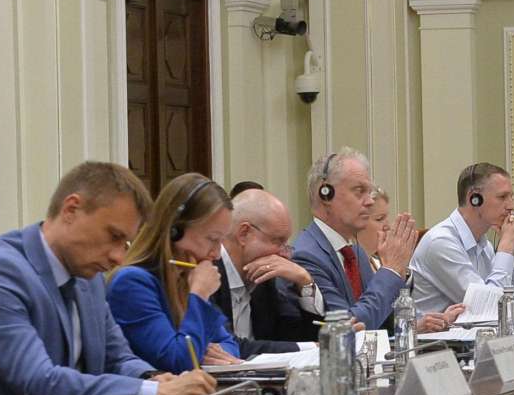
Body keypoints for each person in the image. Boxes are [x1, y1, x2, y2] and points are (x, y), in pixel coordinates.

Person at [0, 161, 216, 395]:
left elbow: (118, 359)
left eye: (125, 243)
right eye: (114, 236)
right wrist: (154, 393)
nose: (119, 257)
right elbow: (40, 383)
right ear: (71, 209)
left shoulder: (89, 279)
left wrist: (153, 378)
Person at [107, 173, 242, 373]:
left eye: (221, 241)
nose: (216, 254)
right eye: (212, 239)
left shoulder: (186, 277)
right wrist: (199, 294)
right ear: (174, 231)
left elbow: (230, 345)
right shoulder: (131, 283)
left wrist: (206, 350)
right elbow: (178, 361)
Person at [292, 148, 418, 331]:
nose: (369, 201)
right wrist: (390, 271)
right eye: (359, 191)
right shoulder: (307, 255)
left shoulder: (354, 251)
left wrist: (400, 271)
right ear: (325, 194)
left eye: (369, 192)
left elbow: (380, 320)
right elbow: (347, 328)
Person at [212, 188, 325, 355]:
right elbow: (229, 347)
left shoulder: (264, 280)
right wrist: (312, 347)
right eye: (278, 241)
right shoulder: (207, 275)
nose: (286, 254)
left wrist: (305, 282)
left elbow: (296, 336)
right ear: (244, 234)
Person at [410, 162, 514, 313]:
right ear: (474, 198)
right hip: (438, 329)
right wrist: (506, 247)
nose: (511, 206)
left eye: (511, 197)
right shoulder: (440, 243)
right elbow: (487, 308)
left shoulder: (484, 245)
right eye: (502, 197)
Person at [357, 186, 465, 332]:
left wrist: (435, 321)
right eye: (379, 219)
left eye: (387, 218)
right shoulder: (350, 267)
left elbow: (393, 324)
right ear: (358, 221)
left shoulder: (377, 262)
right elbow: (369, 325)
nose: (388, 226)